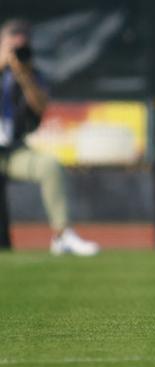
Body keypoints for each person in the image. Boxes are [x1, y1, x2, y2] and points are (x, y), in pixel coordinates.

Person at [0, 18, 99, 255]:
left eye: (22, 48)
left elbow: (41, 107)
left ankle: (62, 234)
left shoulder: (30, 74)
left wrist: (23, 76)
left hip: (11, 151)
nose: (17, 53)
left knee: (50, 165)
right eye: (12, 47)